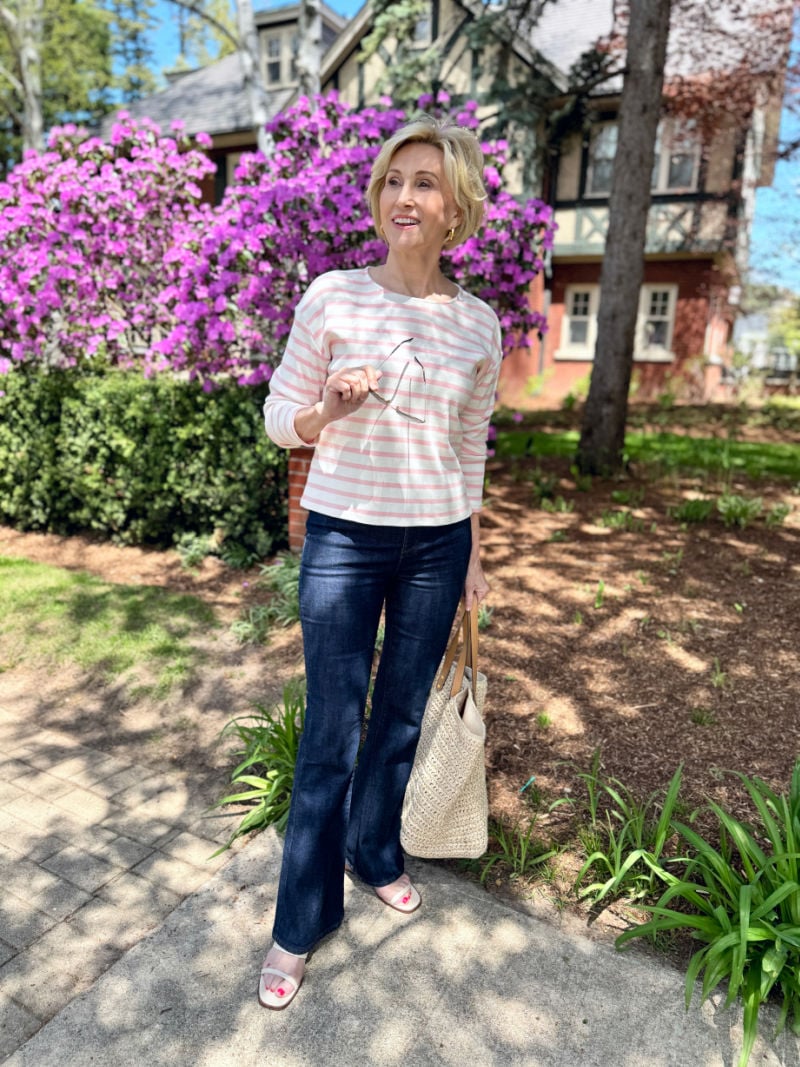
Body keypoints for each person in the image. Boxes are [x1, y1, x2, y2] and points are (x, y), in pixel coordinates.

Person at [258, 113, 502, 1009]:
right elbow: (279, 418)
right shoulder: (332, 296)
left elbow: (471, 448)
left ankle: (374, 851)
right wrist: (325, 411)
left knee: (399, 716)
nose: (406, 196)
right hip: (346, 539)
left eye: (426, 182)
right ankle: (298, 924)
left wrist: (473, 552)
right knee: (331, 732)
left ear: (455, 206)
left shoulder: (479, 324)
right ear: (379, 197)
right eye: (395, 180)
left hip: (437, 544)